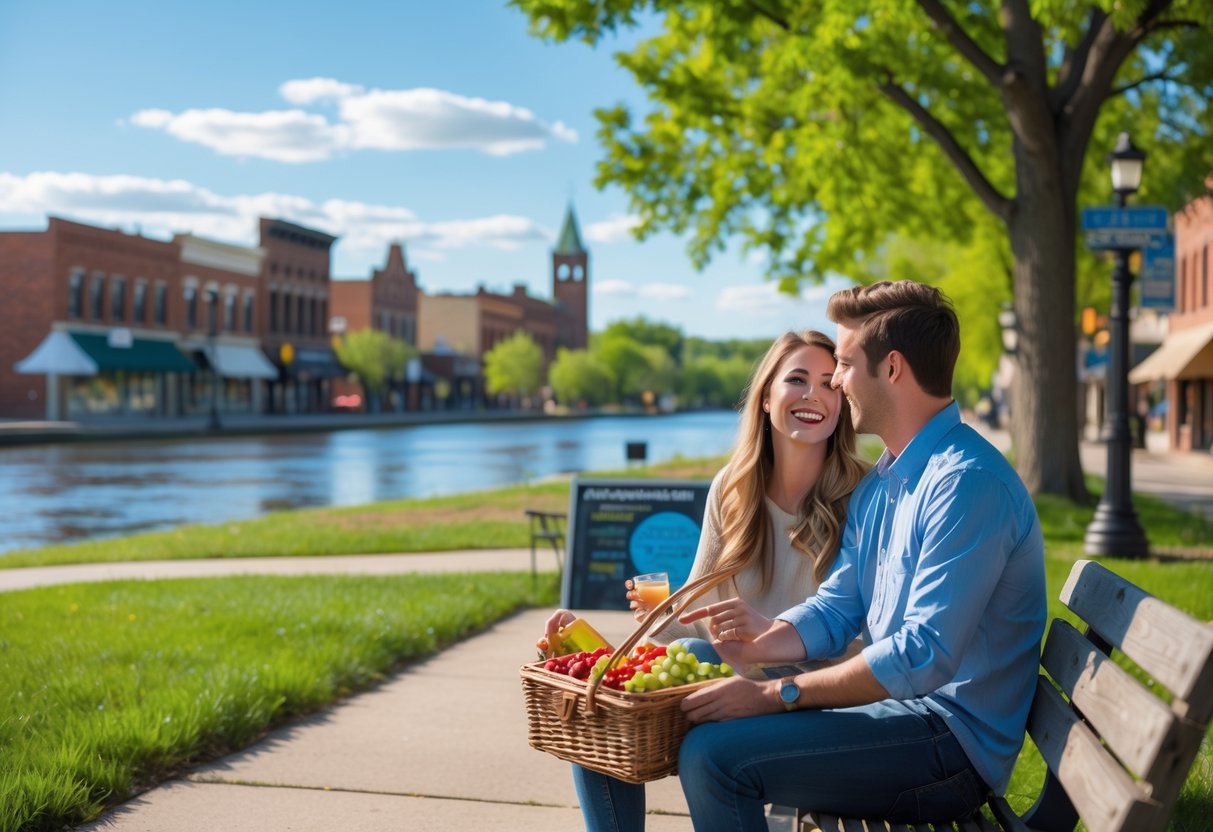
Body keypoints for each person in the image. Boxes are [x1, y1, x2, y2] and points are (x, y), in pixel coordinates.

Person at [676, 280, 1047, 830]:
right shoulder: (884, 483)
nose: (838, 383)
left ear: (891, 368)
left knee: (714, 758)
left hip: (950, 746)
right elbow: (836, 607)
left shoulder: (967, 484)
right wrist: (764, 636)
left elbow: (921, 655)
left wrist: (777, 693)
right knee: (699, 671)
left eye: (844, 365)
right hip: (902, 717)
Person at [542, 330, 868, 832]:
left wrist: (771, 651)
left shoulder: (863, 494)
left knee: (694, 720)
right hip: (738, 682)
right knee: (605, 703)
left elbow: (871, 643)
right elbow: (690, 627)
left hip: (812, 697)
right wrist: (600, 647)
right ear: (765, 397)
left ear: (843, 404)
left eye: (829, 384)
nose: (813, 396)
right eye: (797, 379)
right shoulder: (733, 488)